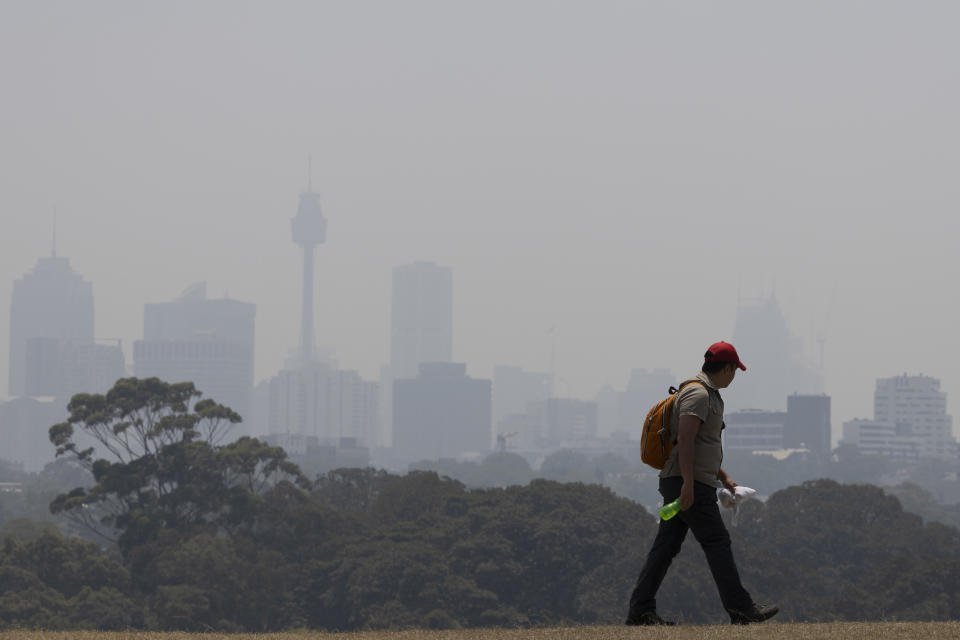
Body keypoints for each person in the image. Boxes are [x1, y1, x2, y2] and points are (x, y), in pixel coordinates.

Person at [625, 341, 779, 626]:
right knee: (717, 541)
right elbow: (684, 440)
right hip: (689, 482)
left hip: (688, 480)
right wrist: (687, 485)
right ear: (728, 367)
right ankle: (741, 609)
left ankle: (640, 611)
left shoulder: (704, 393)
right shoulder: (698, 394)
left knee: (666, 548)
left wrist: (723, 476)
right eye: (735, 370)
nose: (735, 376)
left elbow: (699, 444)